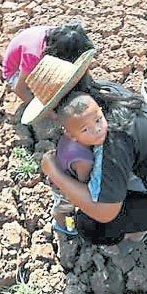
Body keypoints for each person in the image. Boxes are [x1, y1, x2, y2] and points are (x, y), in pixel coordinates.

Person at [22, 50, 147, 254]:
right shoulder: (104, 93)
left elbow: (105, 213)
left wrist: (55, 174)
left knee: (91, 226)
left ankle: (139, 231)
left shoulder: (110, 139)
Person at [2, 21, 94, 102]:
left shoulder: (61, 35)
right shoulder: (33, 55)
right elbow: (20, 89)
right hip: (15, 72)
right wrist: (49, 113)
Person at [50, 93, 101, 235]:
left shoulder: (69, 137)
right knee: (64, 209)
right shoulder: (84, 159)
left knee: (63, 206)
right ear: (71, 133)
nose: (96, 130)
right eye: (85, 129)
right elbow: (83, 183)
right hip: (65, 188)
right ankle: (62, 226)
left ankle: (64, 220)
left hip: (58, 175)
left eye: (97, 121)